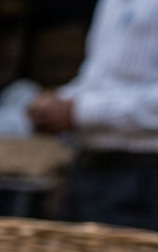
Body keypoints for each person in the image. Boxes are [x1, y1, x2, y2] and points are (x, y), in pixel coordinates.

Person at [29, 0, 158, 231]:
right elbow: (99, 76)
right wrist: (60, 101)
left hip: (144, 179)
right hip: (90, 170)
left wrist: (81, 111)